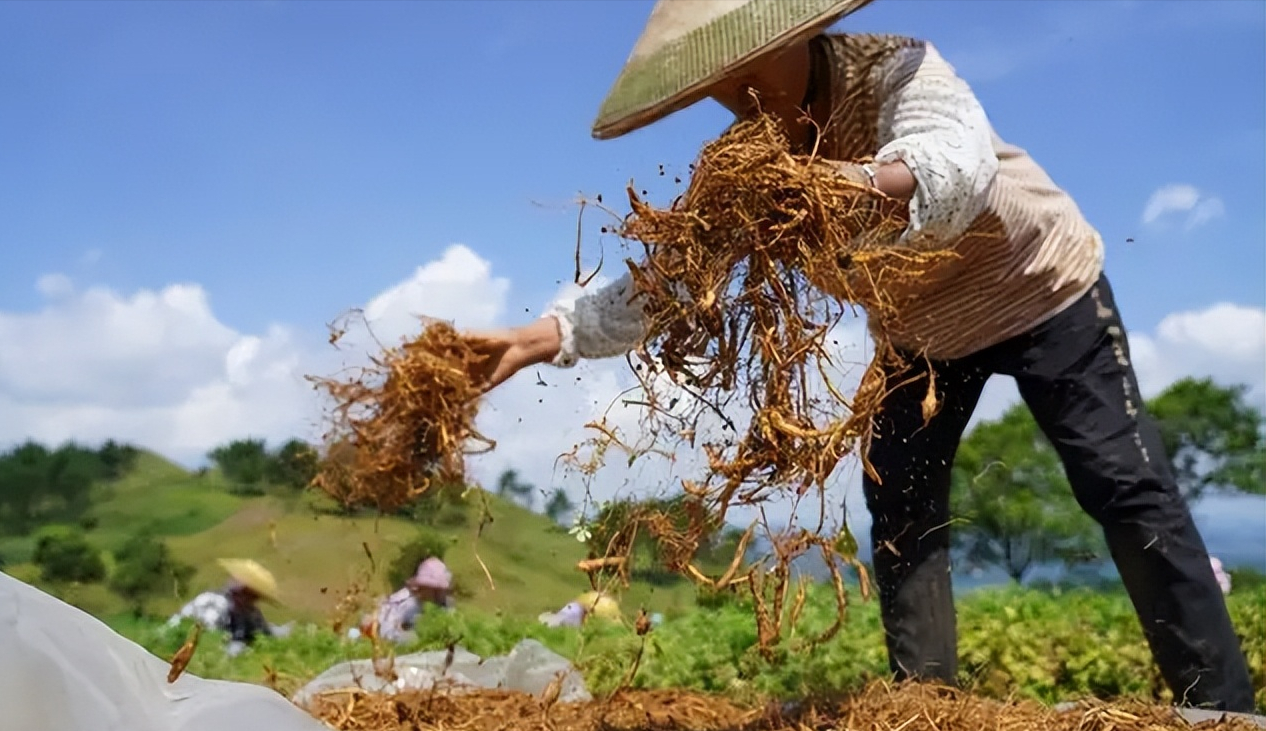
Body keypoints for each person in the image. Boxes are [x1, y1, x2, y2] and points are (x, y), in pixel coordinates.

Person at [457, 0, 1254, 712]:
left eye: (747, 62)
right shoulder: (743, 165)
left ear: (798, 31)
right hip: (916, 334)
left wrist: (847, 184)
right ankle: (927, 704)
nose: (737, 91)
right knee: (902, 507)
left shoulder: (895, 65)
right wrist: (540, 339)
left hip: (1040, 288)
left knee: (1126, 487)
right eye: (716, 80)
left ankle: (1220, 708)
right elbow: (669, 278)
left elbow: (955, 157)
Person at [168, 558, 287, 656]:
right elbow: (210, 642)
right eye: (251, 596)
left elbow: (266, 632)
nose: (252, 601)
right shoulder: (213, 605)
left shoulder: (248, 613)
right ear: (241, 592)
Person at [355, 556, 455, 643]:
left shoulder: (445, 604)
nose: (438, 594)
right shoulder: (408, 604)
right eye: (434, 590)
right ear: (421, 588)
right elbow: (386, 631)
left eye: (440, 590)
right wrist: (413, 638)